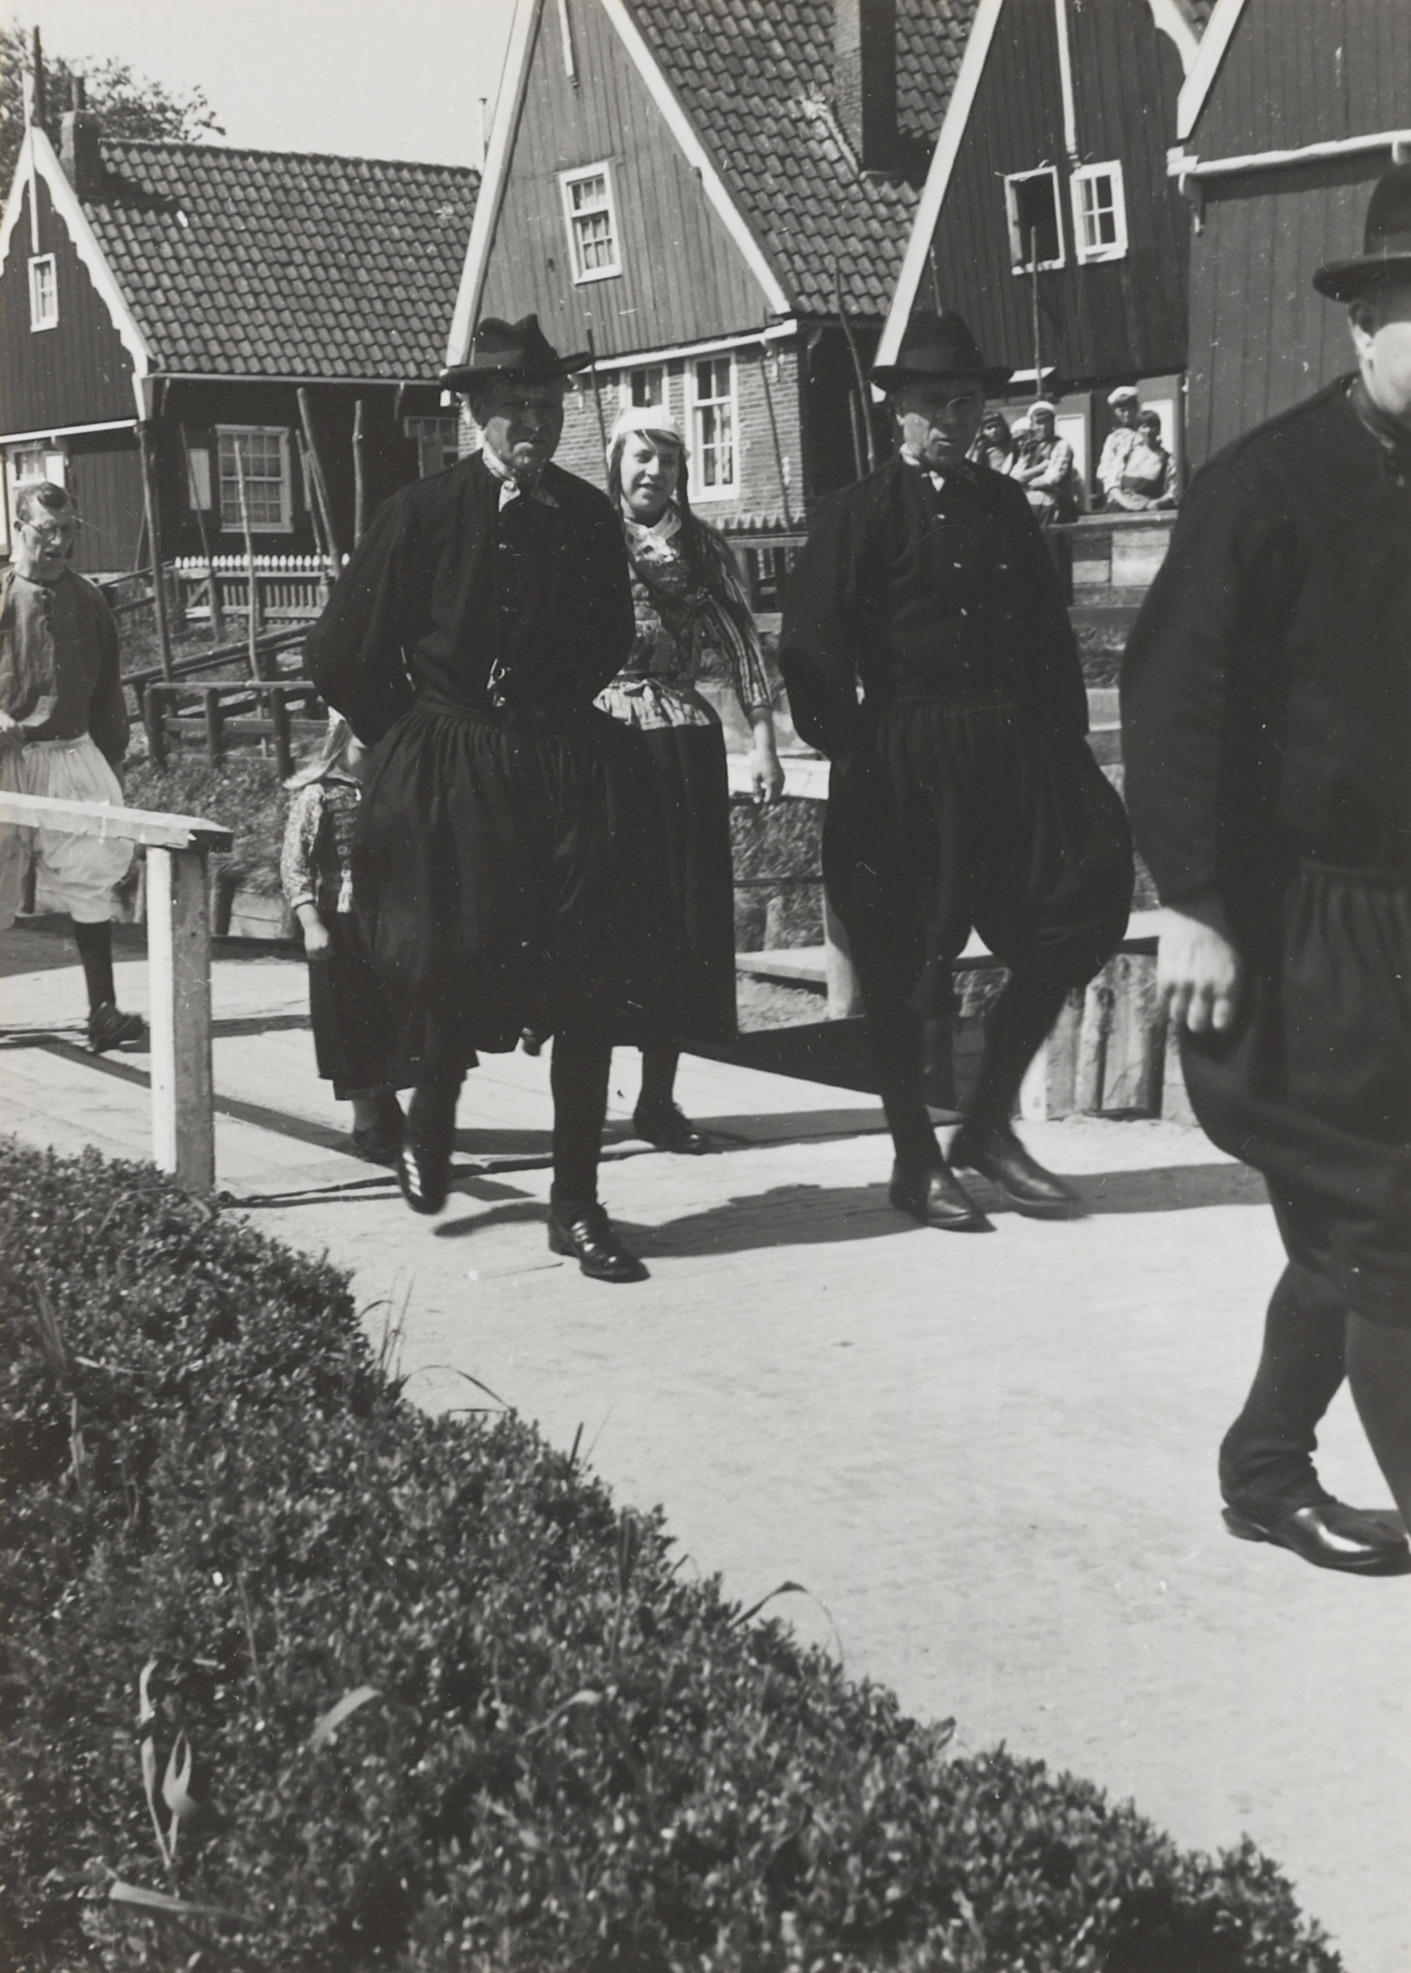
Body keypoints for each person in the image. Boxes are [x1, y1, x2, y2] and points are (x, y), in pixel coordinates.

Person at [1121, 161, 1411, 1575]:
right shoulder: (1262, 488)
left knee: (1358, 1227)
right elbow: (1173, 702)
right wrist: (1188, 901)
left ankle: (1260, 1467)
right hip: (1310, 925)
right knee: (1385, 1224)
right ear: (1362, 322)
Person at [306, 314, 675, 1283]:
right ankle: (431, 1108)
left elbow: (606, 636)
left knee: (587, 976)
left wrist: (549, 711)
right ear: (475, 412)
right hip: (450, 765)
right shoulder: (421, 513)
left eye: (548, 406)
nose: (535, 425)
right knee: (451, 953)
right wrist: (415, 736)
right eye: (515, 408)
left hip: (564, 767)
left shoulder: (586, 516)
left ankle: (576, 1202)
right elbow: (341, 652)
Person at [780, 311, 1132, 1231]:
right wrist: (854, 749)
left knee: (1066, 918)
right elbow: (810, 650)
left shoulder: (1004, 503)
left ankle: (984, 1127)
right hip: (903, 759)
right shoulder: (857, 513)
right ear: (896, 409)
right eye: (934, 402)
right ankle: (916, 1157)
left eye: (966, 402)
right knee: (904, 962)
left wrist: (1063, 751)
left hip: (1011, 751)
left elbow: (1047, 639)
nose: (952, 418)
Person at [597, 406, 784, 1153]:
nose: (654, 472)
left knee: (680, 915)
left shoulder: (702, 546)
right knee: (604, 912)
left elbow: (742, 644)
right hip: (600, 740)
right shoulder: (586, 535)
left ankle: (657, 1099)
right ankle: (581, 1096)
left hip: (681, 740)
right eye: (640, 457)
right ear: (615, 461)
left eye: (668, 461)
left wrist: (763, 744)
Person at [0, 482, 145, 1054]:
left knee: (91, 868)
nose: (59, 542)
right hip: (5, 759)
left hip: (68, 752)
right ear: (19, 528)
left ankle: (102, 1011)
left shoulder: (89, 600)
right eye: (47, 530)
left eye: (68, 531)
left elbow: (108, 689)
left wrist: (114, 759)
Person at [281, 715, 407, 1164]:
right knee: (351, 1022)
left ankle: (388, 1104)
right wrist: (312, 923)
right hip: (343, 924)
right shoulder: (318, 795)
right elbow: (295, 865)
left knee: (389, 1017)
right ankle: (367, 1120)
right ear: (341, 741)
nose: (373, 757)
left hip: (390, 922)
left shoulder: (393, 789)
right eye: (364, 748)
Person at [1008, 399, 1081, 524]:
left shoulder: (1061, 445)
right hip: (1031, 498)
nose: (1043, 427)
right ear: (1032, 425)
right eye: (1038, 423)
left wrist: (1026, 483)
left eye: (1047, 422)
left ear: (1053, 422)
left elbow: (1052, 478)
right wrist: (1041, 467)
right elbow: (1014, 477)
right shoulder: (1030, 448)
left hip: (1055, 500)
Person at [1107, 409, 1176, 512]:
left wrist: (1156, 502)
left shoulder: (1167, 459)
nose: (1148, 431)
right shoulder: (1127, 453)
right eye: (1144, 427)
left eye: (1153, 426)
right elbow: (1112, 484)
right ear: (1138, 430)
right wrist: (1128, 504)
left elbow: (1172, 492)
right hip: (1118, 509)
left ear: (1159, 429)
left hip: (1144, 511)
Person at [1095, 385, 1141, 508]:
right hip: (1117, 499)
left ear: (1137, 408)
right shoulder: (1113, 439)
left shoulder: (1145, 434)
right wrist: (1121, 498)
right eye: (1122, 411)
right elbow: (1105, 472)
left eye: (1130, 409)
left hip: (1140, 497)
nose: (1127, 414)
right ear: (1116, 412)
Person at [971, 409, 1015, 475]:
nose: (994, 430)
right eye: (989, 428)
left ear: (1004, 427)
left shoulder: (1013, 444)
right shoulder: (981, 451)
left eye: (997, 425)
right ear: (982, 432)